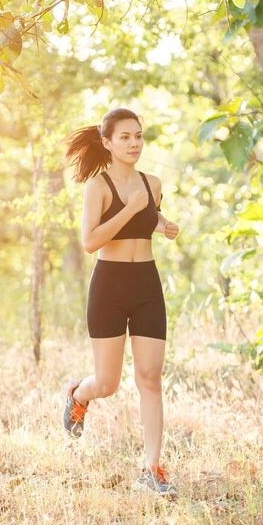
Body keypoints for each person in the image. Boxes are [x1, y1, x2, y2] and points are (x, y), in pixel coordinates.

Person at [62, 107, 180, 496]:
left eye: (138, 136)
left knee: (150, 376)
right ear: (108, 142)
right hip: (109, 286)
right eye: (125, 137)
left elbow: (151, 216)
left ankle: (152, 469)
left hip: (146, 283)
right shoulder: (97, 187)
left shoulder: (153, 183)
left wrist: (164, 225)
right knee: (108, 383)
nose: (134, 144)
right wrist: (128, 209)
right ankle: (78, 395)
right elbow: (90, 241)